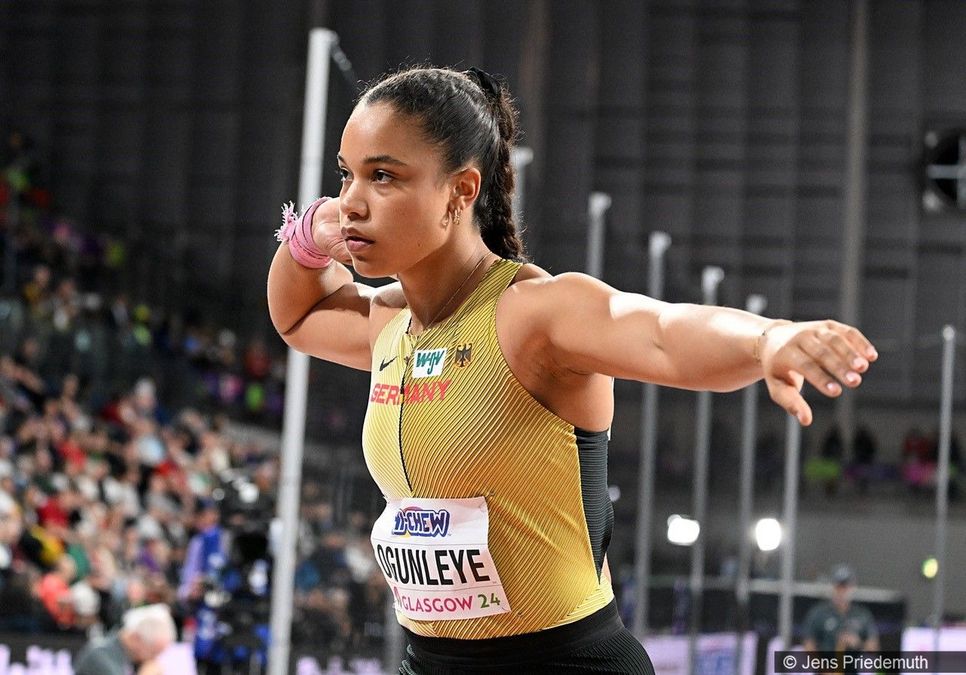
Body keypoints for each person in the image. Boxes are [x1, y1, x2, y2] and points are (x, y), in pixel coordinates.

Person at [267, 65, 878, 674]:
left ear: (460, 191)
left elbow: (662, 333)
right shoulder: (389, 323)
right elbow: (297, 317)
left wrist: (767, 339)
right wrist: (309, 238)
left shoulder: (533, 314)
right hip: (431, 662)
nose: (351, 202)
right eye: (346, 174)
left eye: (382, 176)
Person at [802, 565, 879, 663]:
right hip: (827, 665)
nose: (842, 591)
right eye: (839, 587)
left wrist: (857, 643)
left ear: (852, 587)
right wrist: (821, 665)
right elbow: (808, 644)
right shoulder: (819, 613)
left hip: (853, 666)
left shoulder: (862, 614)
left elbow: (873, 647)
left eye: (845, 587)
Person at [73, 603, 177, 675]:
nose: (154, 659)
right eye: (153, 652)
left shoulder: (130, 658)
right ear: (136, 638)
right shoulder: (99, 657)